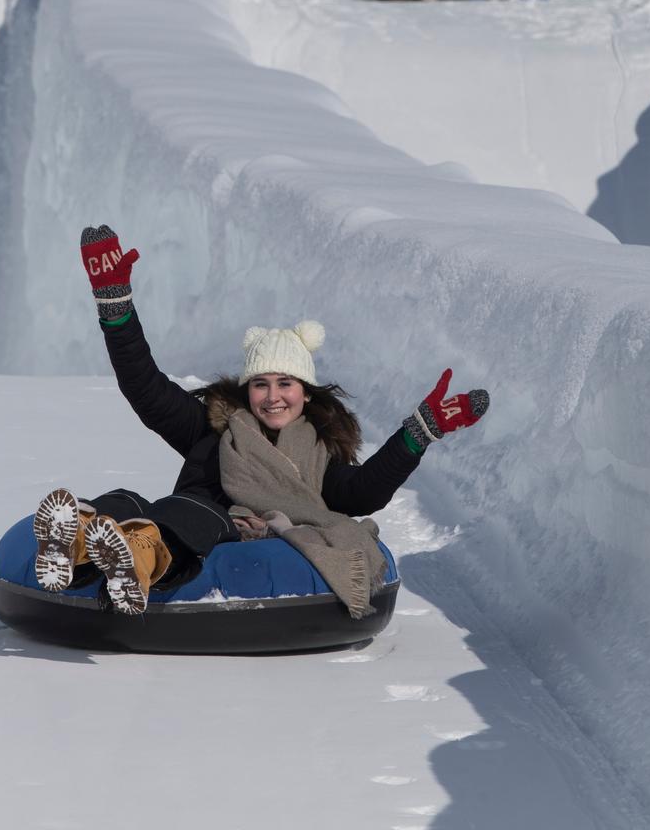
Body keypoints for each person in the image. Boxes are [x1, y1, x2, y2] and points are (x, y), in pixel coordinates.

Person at [29, 225, 491, 617]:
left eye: (285, 384)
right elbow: (144, 385)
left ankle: (135, 558)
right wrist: (116, 305)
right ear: (246, 390)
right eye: (261, 384)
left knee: (191, 513)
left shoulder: (317, 456)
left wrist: (419, 432)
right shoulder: (212, 428)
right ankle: (77, 539)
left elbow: (364, 492)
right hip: (175, 519)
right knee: (126, 498)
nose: (273, 397)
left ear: (305, 393)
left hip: (211, 527)